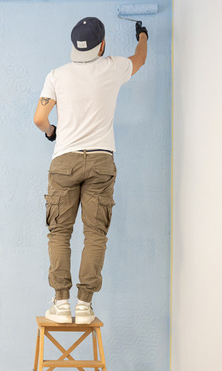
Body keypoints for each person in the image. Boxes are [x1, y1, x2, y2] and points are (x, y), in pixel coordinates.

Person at [34, 16, 148, 324]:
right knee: (95, 234)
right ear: (103, 45)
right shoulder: (113, 67)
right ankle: (84, 305)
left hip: (65, 161)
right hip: (100, 161)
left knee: (59, 232)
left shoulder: (56, 75)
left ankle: (61, 304)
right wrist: (142, 36)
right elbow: (140, 59)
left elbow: (39, 118)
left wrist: (51, 132)